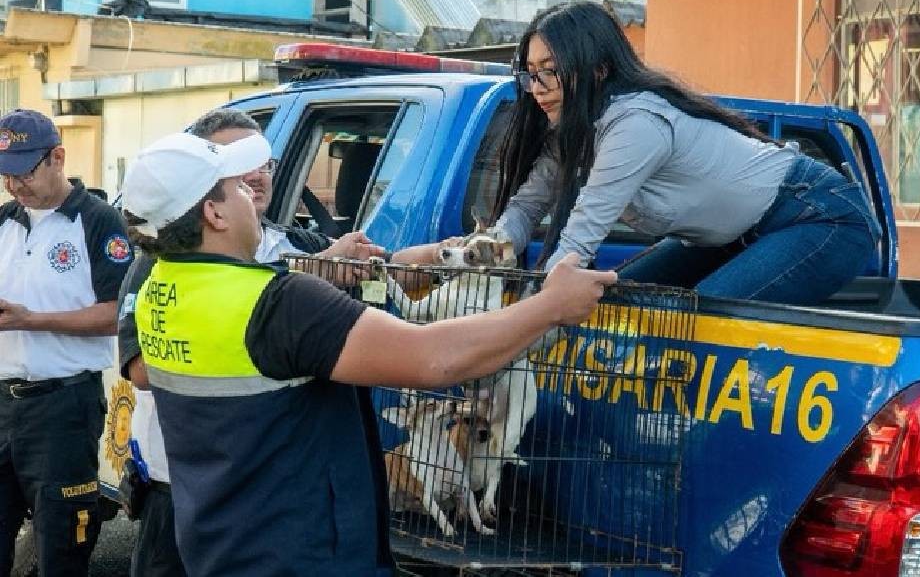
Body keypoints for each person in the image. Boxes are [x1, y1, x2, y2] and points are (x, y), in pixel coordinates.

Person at [118, 130, 614, 577]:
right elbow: (431, 359)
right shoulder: (279, 304)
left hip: (222, 545)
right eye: (238, 187)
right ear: (214, 212)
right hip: (303, 555)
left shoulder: (164, 285)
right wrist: (549, 306)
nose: (253, 193)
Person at [398, 0, 881, 306]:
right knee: (621, 304)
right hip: (731, 234)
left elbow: (581, 235)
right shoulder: (568, 135)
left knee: (703, 322)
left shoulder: (636, 124)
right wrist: (490, 249)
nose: (536, 87)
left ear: (598, 69)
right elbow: (525, 208)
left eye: (550, 70)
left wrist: (525, 316)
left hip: (818, 216)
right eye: (529, 73)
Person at [118, 108, 384, 577]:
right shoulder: (163, 258)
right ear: (206, 198)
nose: (255, 175)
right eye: (234, 164)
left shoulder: (297, 244)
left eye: (263, 162)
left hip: (262, 498)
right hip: (179, 487)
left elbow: (369, 274)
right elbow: (141, 369)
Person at [0, 109, 133, 576]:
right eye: (5, 175)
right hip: (2, 402)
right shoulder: (5, 222)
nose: (15, 186)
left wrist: (31, 320)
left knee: (63, 544)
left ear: (57, 157)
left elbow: (118, 313)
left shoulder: (98, 222)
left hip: (63, 406)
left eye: (23, 172)